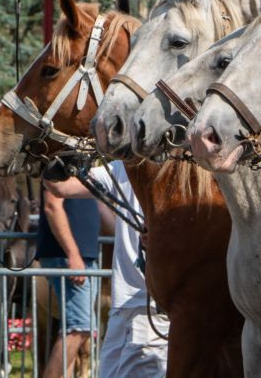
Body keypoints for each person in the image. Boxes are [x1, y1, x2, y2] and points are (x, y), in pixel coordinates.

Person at [44, 160, 169, 377]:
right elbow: (59, 186)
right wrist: (48, 145)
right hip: (122, 307)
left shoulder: (183, 167)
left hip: (152, 306)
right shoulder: (122, 167)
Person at [37, 186, 100, 378]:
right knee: (79, 328)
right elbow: (52, 206)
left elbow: (102, 209)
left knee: (79, 328)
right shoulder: (61, 162)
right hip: (70, 258)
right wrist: (73, 254)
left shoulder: (83, 167)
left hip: (83, 258)